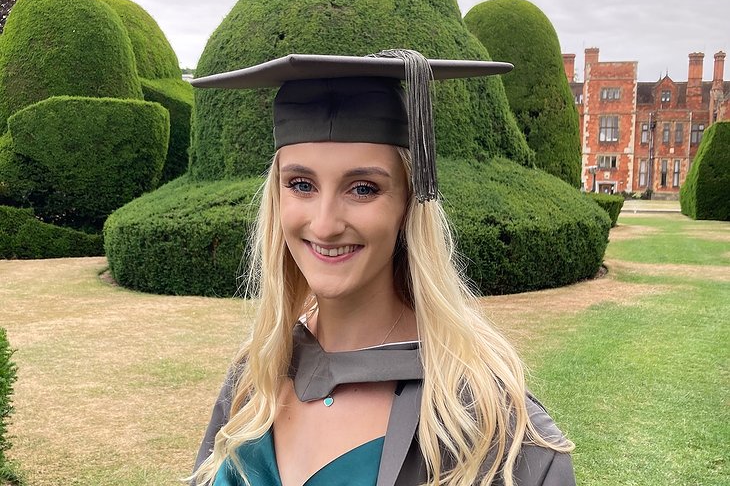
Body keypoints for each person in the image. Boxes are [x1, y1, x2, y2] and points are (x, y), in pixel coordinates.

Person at [189, 50, 576, 486]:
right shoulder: (255, 376)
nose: (325, 224)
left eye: (362, 188)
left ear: (410, 203)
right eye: (301, 184)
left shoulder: (489, 427)